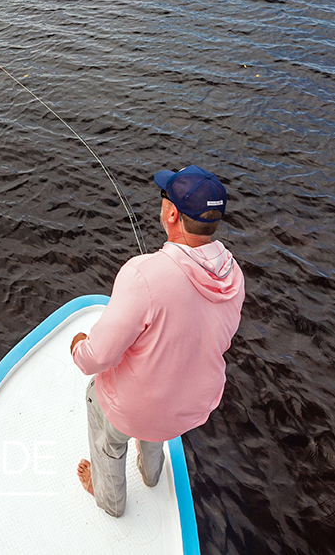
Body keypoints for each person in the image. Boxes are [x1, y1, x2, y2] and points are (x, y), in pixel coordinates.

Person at [70, 164, 245, 517]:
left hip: (140, 408)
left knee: (95, 398)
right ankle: (151, 474)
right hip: (192, 407)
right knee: (158, 426)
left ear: (171, 214)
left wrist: (78, 345)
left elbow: (98, 357)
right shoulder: (234, 273)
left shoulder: (142, 273)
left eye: (165, 196)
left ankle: (109, 498)